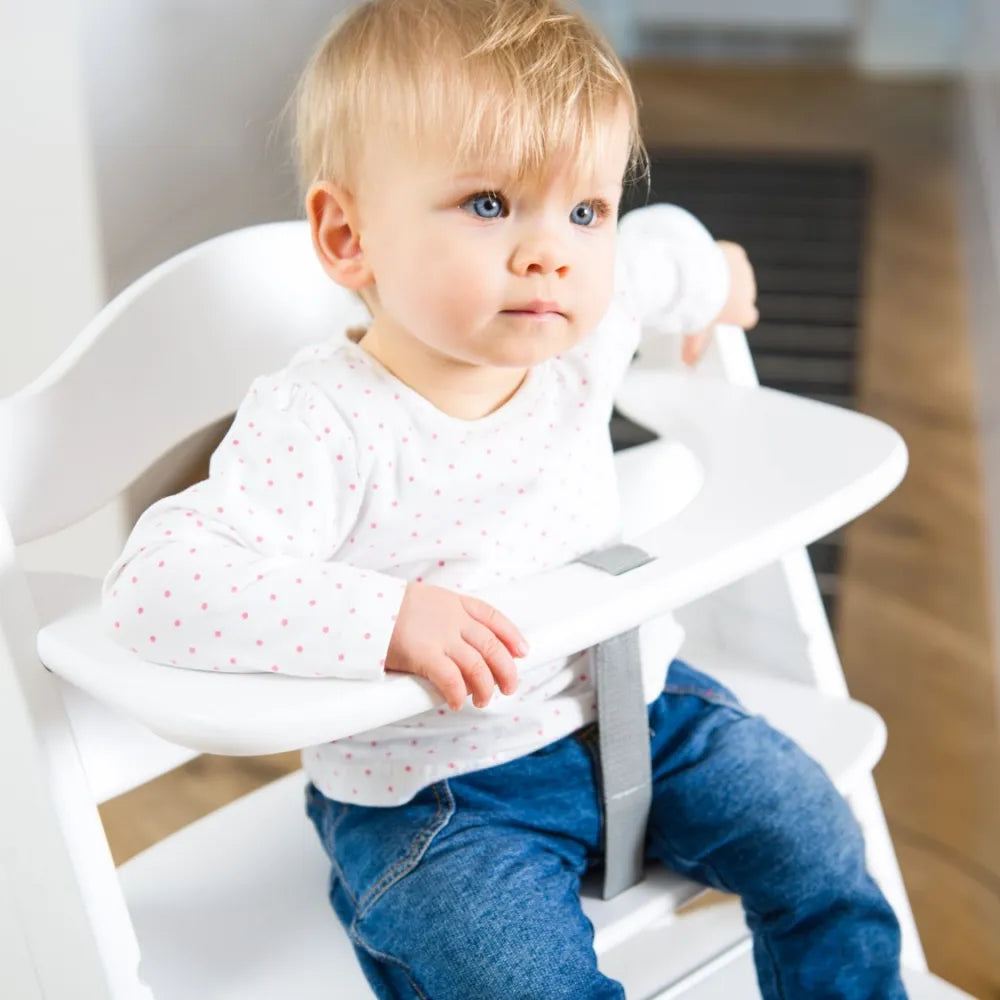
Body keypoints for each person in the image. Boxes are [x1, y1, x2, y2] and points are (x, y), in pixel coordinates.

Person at [102, 1, 906, 997]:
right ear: (348, 234)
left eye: (582, 210)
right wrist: (386, 617)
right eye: (489, 204)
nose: (550, 252)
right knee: (516, 980)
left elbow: (655, 251)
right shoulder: (322, 421)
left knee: (818, 841)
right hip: (433, 790)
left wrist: (711, 275)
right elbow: (155, 583)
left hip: (641, 710)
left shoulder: (584, 327)